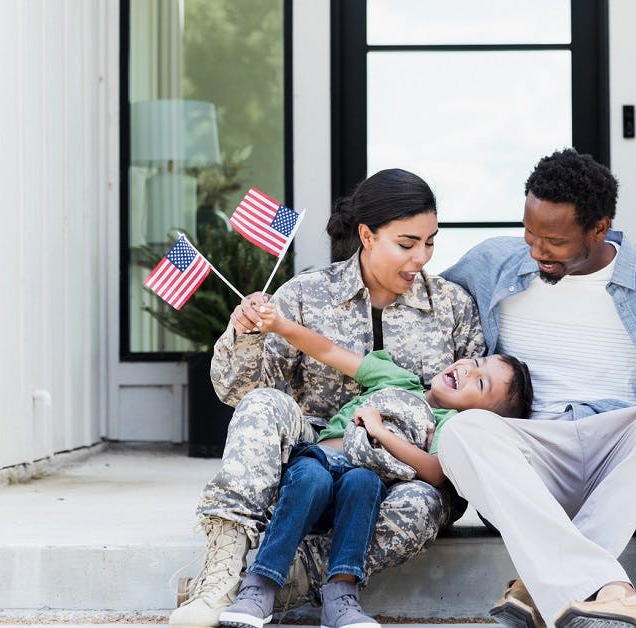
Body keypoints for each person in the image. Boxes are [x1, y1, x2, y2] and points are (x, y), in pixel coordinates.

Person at [169, 168, 485, 628]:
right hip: (307, 465)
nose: (421, 257)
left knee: (424, 505)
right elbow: (239, 392)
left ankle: (281, 580)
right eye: (407, 242)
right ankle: (221, 569)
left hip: (400, 476)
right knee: (262, 405)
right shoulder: (303, 295)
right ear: (366, 235)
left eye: (430, 242)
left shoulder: (453, 306)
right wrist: (243, 331)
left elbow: (471, 409)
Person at [433, 148, 636, 628]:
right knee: (461, 433)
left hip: (624, 462)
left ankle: (540, 587)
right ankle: (608, 587)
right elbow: (416, 313)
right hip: (532, 463)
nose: (536, 250)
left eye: (553, 241)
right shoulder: (492, 264)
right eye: (530, 233)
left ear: (599, 229)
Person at [218, 302, 533, 628]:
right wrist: (280, 325)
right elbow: (328, 350)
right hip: (318, 462)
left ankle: (341, 597)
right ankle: (261, 584)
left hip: (360, 484)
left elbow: (434, 471)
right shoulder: (398, 377)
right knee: (311, 478)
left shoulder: (450, 425)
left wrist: (379, 431)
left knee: (364, 484)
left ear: (479, 416)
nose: (469, 371)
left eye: (481, 384)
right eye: (478, 363)